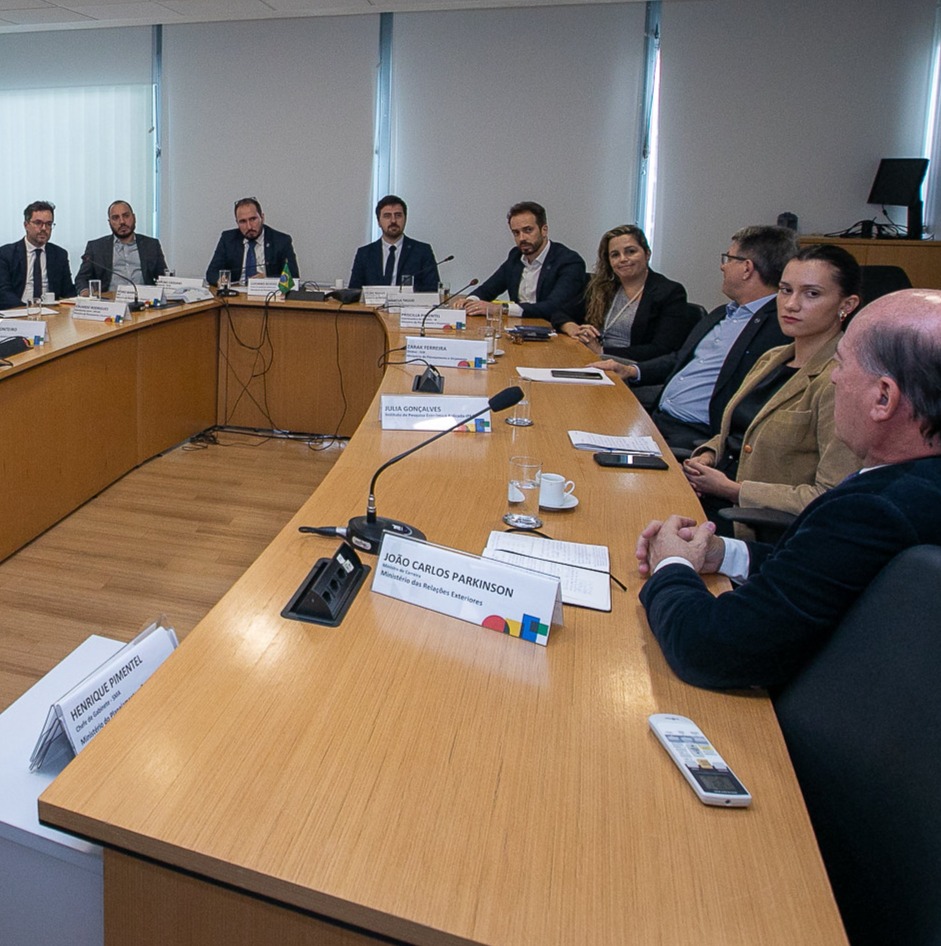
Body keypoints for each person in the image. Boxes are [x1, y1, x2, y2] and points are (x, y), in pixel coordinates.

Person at [635, 288, 941, 690]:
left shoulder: (873, 510)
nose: (833, 377)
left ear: (883, 397)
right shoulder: (915, 488)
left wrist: (672, 564)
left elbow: (710, 648)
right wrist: (724, 553)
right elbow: (824, 572)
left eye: (841, 364)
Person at [683, 244, 864, 534]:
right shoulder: (772, 359)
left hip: (750, 525)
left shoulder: (839, 381)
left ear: (847, 305)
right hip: (709, 496)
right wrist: (707, 456)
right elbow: (741, 433)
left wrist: (733, 489)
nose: (791, 304)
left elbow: (829, 495)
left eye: (811, 294)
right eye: (785, 290)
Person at [591, 226, 797, 452]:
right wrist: (632, 371)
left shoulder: (778, 328)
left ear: (747, 268)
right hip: (657, 418)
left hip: (694, 437)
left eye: (728, 259)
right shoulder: (722, 313)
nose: (723, 266)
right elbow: (679, 359)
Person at [563, 224, 692, 360]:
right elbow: (561, 313)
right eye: (615, 255)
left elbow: (663, 349)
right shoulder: (603, 287)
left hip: (632, 366)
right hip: (594, 359)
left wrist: (601, 350)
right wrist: (571, 327)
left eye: (631, 251)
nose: (623, 259)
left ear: (647, 254)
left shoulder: (670, 292)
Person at [463, 201, 586, 330]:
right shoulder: (516, 257)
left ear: (544, 230)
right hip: (519, 330)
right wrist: (470, 301)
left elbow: (554, 307)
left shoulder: (569, 261)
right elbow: (488, 289)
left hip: (556, 332)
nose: (522, 238)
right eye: (516, 233)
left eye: (528, 230)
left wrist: (502, 309)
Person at [348, 195, 439, 293]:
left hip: (409, 302)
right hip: (372, 303)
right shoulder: (364, 253)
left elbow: (432, 289)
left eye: (398, 215)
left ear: (405, 219)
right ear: (378, 222)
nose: (393, 221)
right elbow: (354, 291)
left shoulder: (422, 251)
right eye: (387, 216)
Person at [75, 200, 169, 295]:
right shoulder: (96, 247)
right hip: (109, 300)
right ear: (110, 222)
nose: (122, 221)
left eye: (126, 216)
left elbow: (163, 278)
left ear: (134, 217)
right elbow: (81, 279)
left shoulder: (151, 245)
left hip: (144, 300)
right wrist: (86, 292)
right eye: (115, 218)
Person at [206, 197, 299, 286]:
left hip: (268, 294)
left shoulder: (281, 241)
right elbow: (211, 273)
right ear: (237, 223)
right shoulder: (228, 239)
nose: (249, 226)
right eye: (243, 221)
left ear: (262, 218)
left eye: (253, 219)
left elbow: (293, 276)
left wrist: (267, 280)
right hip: (236, 293)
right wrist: (220, 280)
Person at [0, 200, 76, 308]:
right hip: (17, 310)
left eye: (48, 224)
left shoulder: (59, 254)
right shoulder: (6, 254)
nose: (44, 228)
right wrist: (28, 309)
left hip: (51, 312)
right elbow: (3, 292)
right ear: (26, 225)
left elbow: (68, 292)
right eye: (38, 223)